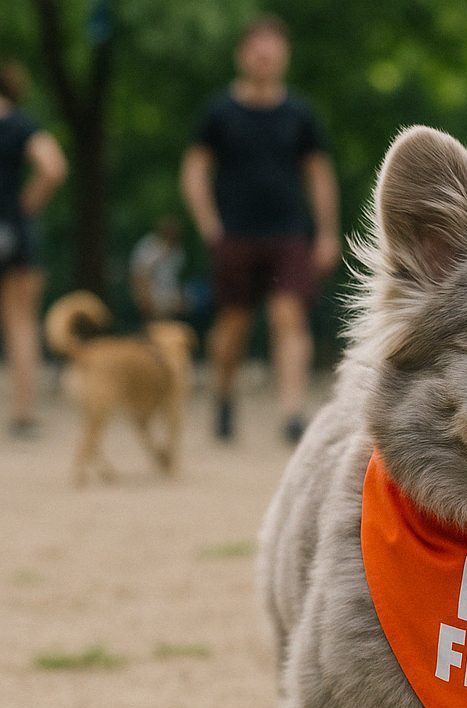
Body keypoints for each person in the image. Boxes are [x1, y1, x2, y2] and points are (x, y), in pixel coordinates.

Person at [180, 14, 341, 444]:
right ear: (243, 54)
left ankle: (291, 413)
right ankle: (224, 395)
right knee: (232, 324)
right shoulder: (219, 112)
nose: (266, 57)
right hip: (234, 234)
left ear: (284, 56)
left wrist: (327, 232)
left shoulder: (300, 115)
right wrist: (209, 223)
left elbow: (319, 175)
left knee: (289, 316)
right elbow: (194, 170)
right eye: (258, 49)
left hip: (289, 233)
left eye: (273, 50)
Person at [0, 60, 67, 437]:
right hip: (13, 230)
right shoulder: (22, 124)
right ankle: (23, 414)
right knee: (21, 323)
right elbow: (54, 166)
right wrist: (27, 204)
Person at [129, 215, 187, 321]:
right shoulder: (148, 246)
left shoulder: (178, 251)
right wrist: (145, 304)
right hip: (153, 306)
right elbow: (140, 277)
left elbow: (177, 278)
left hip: (172, 307)